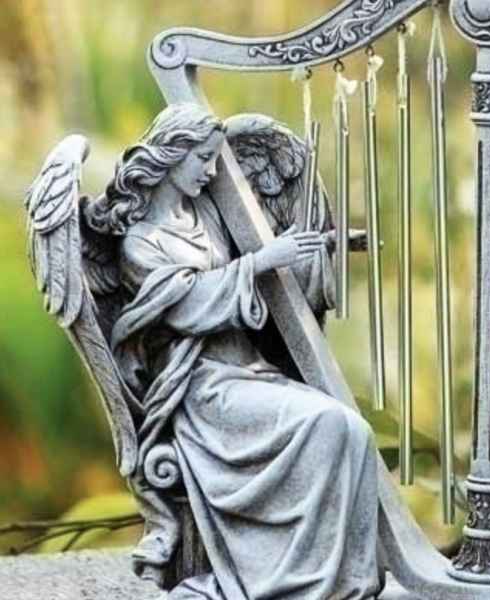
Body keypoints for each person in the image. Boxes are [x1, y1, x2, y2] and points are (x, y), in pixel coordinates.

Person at [87, 103, 381, 600]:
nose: (212, 171)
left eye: (214, 158)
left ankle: (341, 582)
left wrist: (319, 247)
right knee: (329, 425)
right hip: (202, 388)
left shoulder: (206, 213)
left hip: (248, 370)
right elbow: (186, 306)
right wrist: (260, 263)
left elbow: (262, 264)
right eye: (203, 158)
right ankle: (291, 583)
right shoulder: (141, 241)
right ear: (172, 154)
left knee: (352, 429)